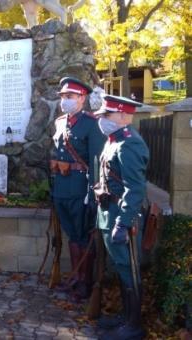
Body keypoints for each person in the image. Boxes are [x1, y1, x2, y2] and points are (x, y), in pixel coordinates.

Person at [94, 95, 148, 339]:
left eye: (108, 115)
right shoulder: (113, 140)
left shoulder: (129, 144)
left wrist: (123, 223)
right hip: (109, 211)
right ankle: (126, 317)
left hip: (122, 216)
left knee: (129, 269)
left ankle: (134, 326)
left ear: (125, 116)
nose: (102, 120)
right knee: (120, 267)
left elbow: (135, 189)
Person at [50, 77, 106, 299]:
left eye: (69, 97)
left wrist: (93, 192)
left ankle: (85, 282)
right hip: (62, 188)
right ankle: (75, 276)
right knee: (72, 235)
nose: (65, 101)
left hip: (82, 190)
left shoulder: (92, 124)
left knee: (84, 234)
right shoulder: (60, 122)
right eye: (63, 97)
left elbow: (96, 162)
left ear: (82, 98)